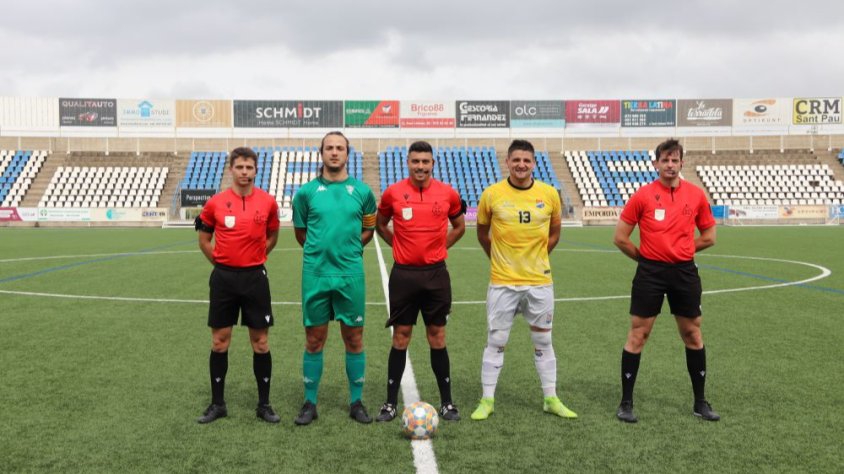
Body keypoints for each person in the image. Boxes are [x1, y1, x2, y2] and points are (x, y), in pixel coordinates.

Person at [613, 138, 719, 423]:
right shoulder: (642, 196)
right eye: (665, 160)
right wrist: (645, 258)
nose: (670, 165)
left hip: (684, 272)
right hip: (650, 273)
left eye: (675, 160)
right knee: (638, 334)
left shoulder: (696, 195)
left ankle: (700, 402)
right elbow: (620, 238)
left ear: (682, 163)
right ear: (656, 164)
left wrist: (681, 249)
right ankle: (626, 403)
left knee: (692, 334)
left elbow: (710, 237)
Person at [470, 139, 577, 421]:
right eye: (516, 160)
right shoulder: (492, 194)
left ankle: (551, 399)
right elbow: (482, 233)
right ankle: (487, 400)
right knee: (496, 340)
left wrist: (538, 256)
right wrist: (497, 258)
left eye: (526, 160)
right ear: (507, 162)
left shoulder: (549, 194)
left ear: (534, 163)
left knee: (543, 340)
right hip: (502, 282)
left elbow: (555, 233)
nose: (521, 165)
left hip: (539, 282)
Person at [374, 141, 466, 422]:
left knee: (437, 336)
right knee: (401, 336)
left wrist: (440, 247)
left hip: (436, 275)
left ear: (432, 164)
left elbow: (459, 226)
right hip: (404, 275)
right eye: (416, 161)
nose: (420, 166)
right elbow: (380, 224)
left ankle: (447, 403)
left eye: (425, 161)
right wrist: (398, 245)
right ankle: (390, 404)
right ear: (408, 163)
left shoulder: (448, 193)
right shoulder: (393, 193)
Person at [292, 131, 377, 425]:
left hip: (350, 275)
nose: (334, 152)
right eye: (329, 147)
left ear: (347, 154)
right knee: (314, 339)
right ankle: (310, 402)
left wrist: (350, 250)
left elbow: (368, 229)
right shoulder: (306, 193)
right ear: (322, 153)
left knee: (354, 338)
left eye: (340, 148)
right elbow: (301, 233)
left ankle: (356, 402)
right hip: (315, 275)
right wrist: (319, 253)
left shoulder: (363, 192)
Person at [195, 146, 281, 424]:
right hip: (224, 279)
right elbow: (204, 240)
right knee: (219, 341)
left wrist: (257, 257)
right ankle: (217, 404)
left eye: (249, 167)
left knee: (261, 342)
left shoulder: (268, 202)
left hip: (255, 278)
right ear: (231, 169)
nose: (244, 172)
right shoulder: (215, 203)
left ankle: (264, 405)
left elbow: (273, 235)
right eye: (240, 167)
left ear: (256, 170)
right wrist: (221, 263)